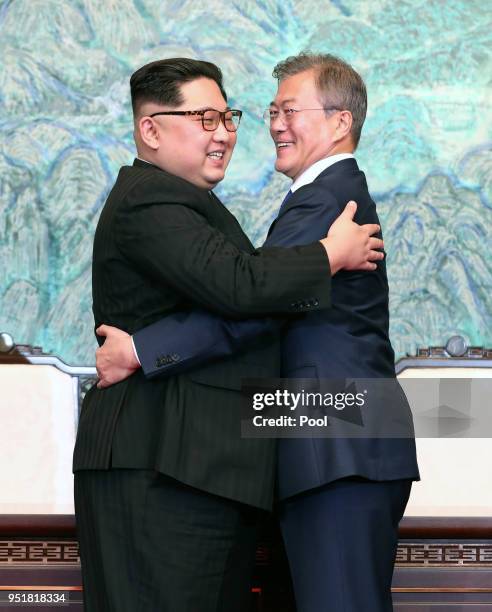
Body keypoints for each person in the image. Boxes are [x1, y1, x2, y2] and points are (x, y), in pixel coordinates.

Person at [96, 53, 420, 612]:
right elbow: (254, 297)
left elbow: (251, 300)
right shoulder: (318, 200)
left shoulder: (327, 203)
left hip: (335, 441)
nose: (273, 124)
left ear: (340, 122)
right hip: (328, 443)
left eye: (289, 110)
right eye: (271, 111)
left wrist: (142, 350)